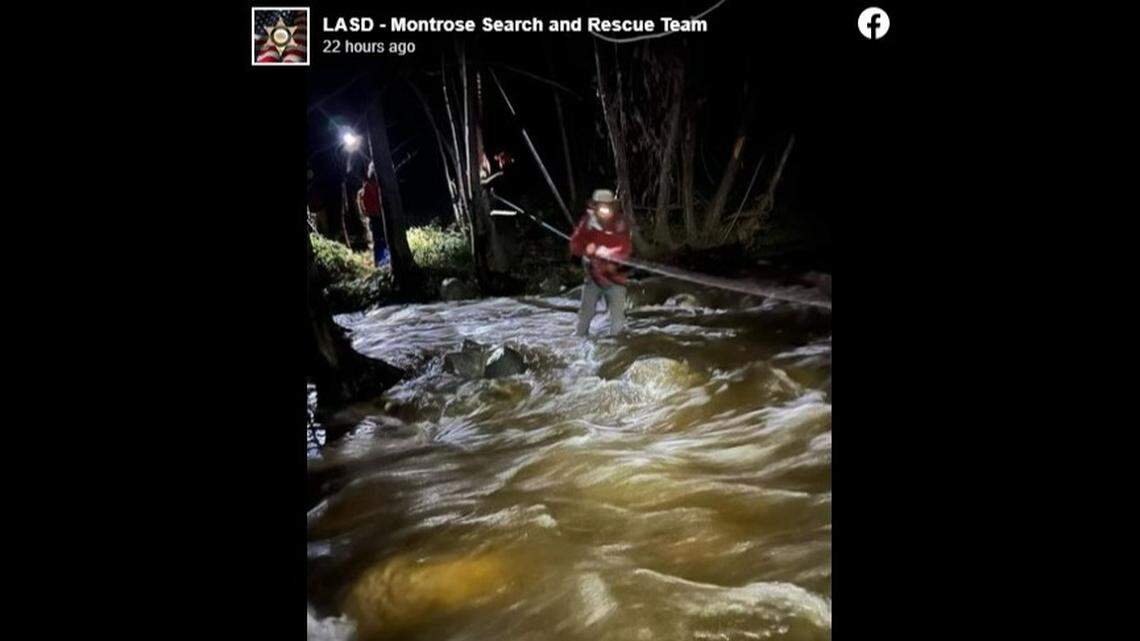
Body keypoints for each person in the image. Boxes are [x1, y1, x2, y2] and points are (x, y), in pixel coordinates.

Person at [569, 189, 632, 337]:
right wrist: (586, 248)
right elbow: (575, 244)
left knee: (617, 318)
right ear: (595, 206)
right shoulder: (587, 222)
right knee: (585, 314)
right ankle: (579, 343)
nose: (604, 209)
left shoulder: (620, 222)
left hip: (616, 279)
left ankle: (616, 347)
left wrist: (608, 252)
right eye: (601, 205)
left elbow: (625, 247)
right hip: (593, 278)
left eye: (608, 205)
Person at [356, 162, 390, 267]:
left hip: (378, 216)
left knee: (382, 239)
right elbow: (364, 202)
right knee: (380, 239)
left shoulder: (375, 185)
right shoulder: (371, 186)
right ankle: (380, 262)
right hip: (376, 217)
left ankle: (384, 261)